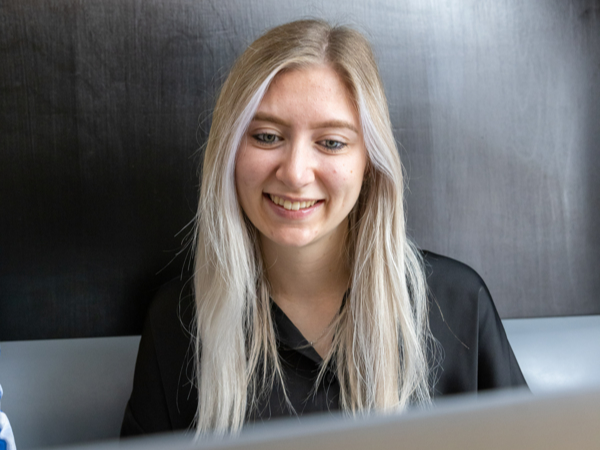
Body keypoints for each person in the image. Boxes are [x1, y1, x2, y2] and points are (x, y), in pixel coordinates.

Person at [121, 19, 526, 437]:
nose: (295, 173)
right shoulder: (178, 321)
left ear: (370, 163)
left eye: (331, 142)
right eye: (266, 136)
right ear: (228, 150)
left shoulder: (458, 306)